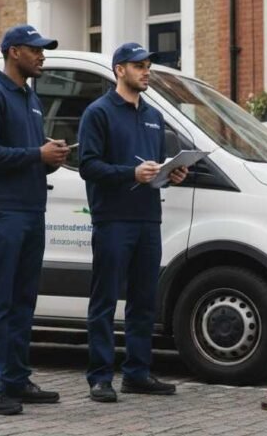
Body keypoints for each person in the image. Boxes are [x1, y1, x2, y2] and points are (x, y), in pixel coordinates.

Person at [0, 24, 71, 415]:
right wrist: (36, 155)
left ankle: (15, 379)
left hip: (31, 209)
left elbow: (28, 155)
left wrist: (49, 158)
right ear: (14, 52)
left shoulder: (31, 97)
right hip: (2, 211)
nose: (42, 56)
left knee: (23, 301)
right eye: (35, 49)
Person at [78, 42, 189, 403]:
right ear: (119, 70)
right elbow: (88, 166)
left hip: (148, 218)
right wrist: (131, 173)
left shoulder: (154, 115)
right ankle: (100, 378)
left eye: (148, 66)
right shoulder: (98, 113)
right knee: (105, 300)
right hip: (113, 219)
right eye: (139, 66)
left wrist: (171, 174)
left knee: (144, 300)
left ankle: (137, 373)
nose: (146, 72)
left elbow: (154, 167)